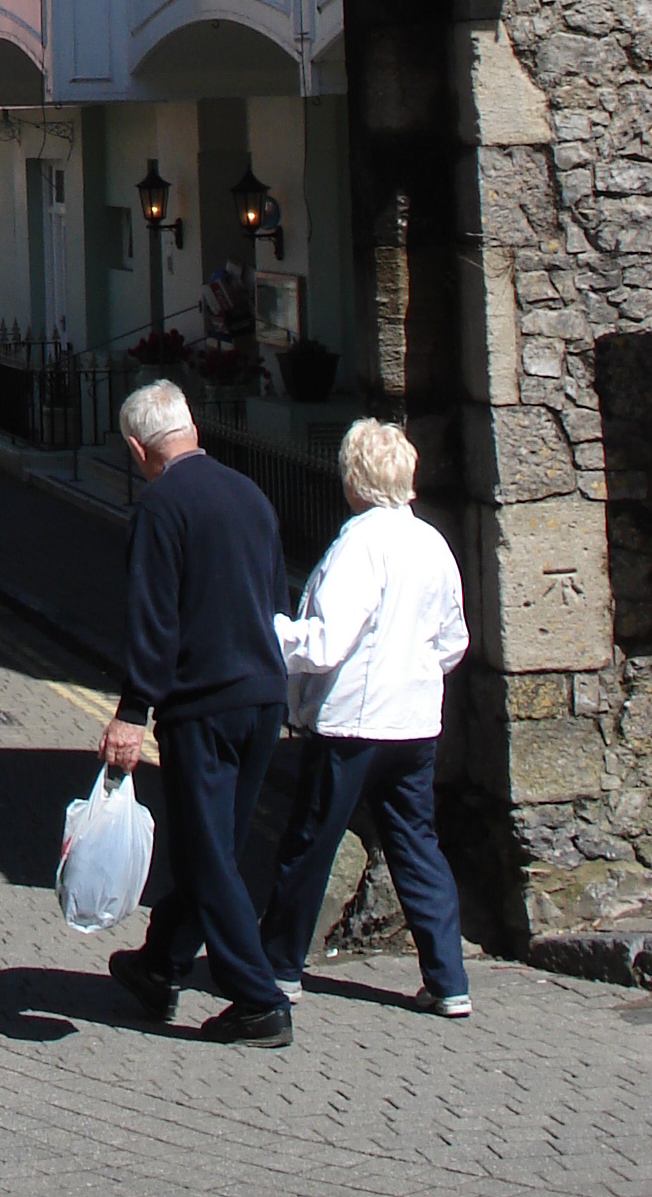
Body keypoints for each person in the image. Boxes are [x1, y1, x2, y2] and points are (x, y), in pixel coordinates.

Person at [100, 377, 294, 1047]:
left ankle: (258, 998)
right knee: (216, 845)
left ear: (136, 446)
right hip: (262, 694)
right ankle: (160, 965)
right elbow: (273, 595)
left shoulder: (161, 507)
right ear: (192, 429)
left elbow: (154, 620)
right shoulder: (250, 494)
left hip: (203, 702)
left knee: (208, 854)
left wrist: (133, 712)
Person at [258, 418, 472, 1016]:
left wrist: (272, 634)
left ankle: (279, 966)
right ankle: (448, 979)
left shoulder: (359, 541)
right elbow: (453, 641)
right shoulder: (432, 543)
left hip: (354, 724)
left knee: (311, 841)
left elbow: (325, 643)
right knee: (416, 844)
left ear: (355, 477)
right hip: (415, 722)